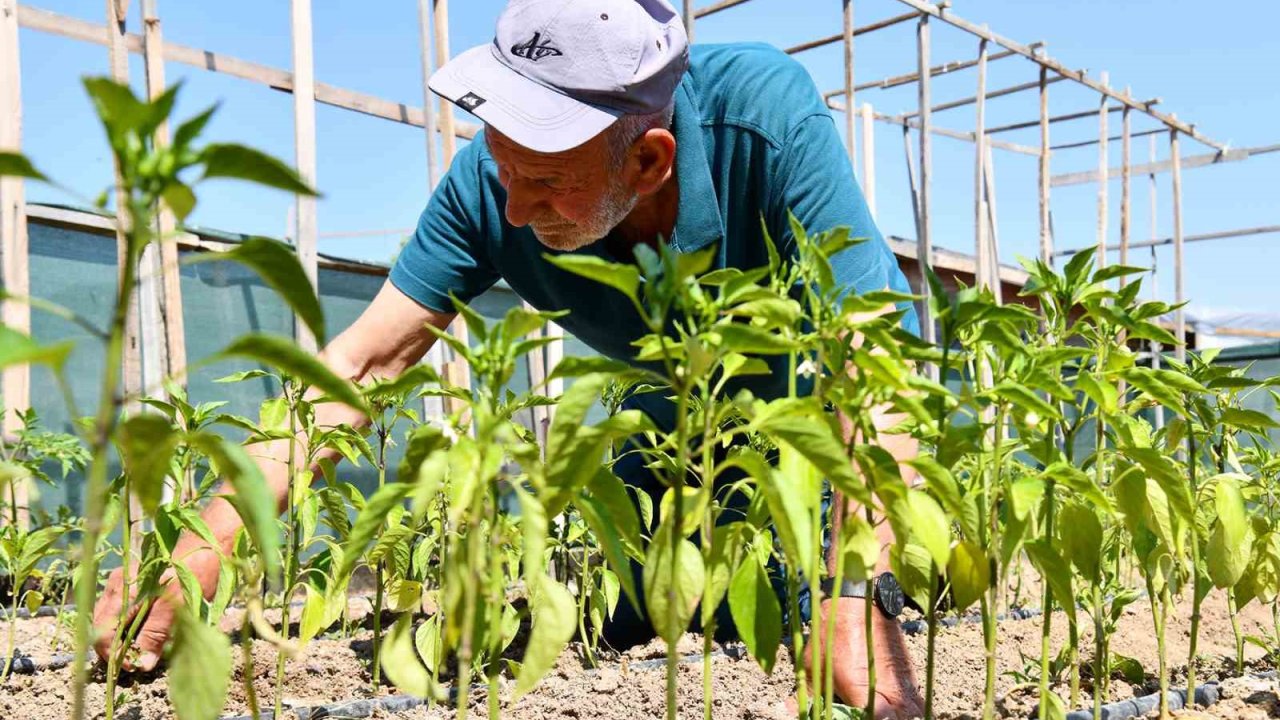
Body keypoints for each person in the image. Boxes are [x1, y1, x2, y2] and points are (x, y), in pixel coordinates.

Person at [94, 0, 924, 716]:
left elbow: (873, 354)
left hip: (822, 443)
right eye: (502, 161)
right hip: (671, 439)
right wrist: (193, 553)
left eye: (544, 179)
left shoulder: (766, 113)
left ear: (648, 159)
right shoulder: (487, 187)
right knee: (621, 623)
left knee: (808, 627)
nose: (516, 208)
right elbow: (362, 366)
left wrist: (857, 594)